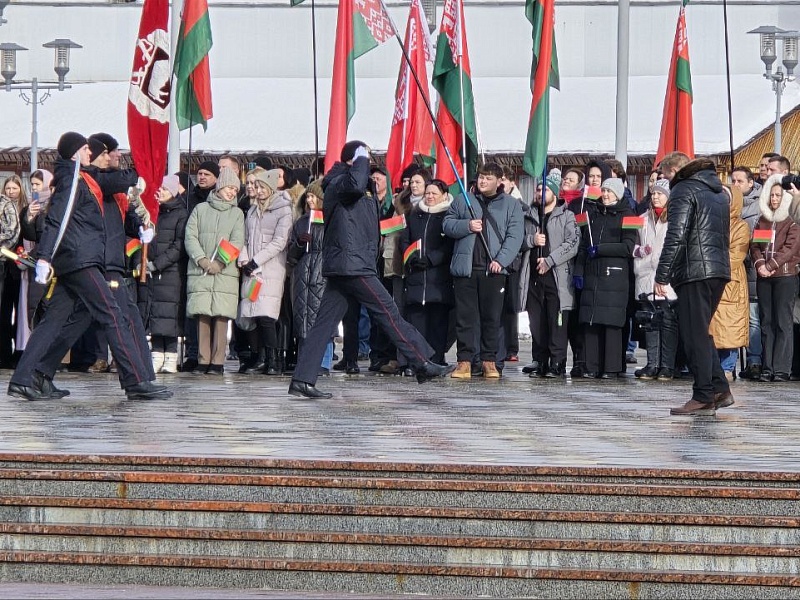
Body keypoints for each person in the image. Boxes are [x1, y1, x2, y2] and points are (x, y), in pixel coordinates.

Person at [8, 132, 170, 401]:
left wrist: (138, 226)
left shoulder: (80, 178)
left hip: (79, 259)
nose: (89, 154)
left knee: (53, 322)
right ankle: (135, 382)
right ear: (75, 153)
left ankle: (27, 377)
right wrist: (45, 257)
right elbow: (56, 220)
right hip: (81, 260)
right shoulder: (72, 180)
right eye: (85, 149)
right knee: (113, 315)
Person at [288, 141, 453, 399]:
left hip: (350, 263)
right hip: (353, 265)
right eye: (365, 158)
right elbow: (355, 183)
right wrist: (359, 156)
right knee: (388, 312)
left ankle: (302, 379)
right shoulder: (342, 182)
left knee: (323, 325)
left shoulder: (349, 185)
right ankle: (421, 362)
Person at [655, 158, 732, 416]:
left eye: (666, 175)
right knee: (700, 332)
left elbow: (676, 235)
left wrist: (662, 274)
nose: (666, 181)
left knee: (692, 335)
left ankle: (702, 395)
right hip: (718, 269)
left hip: (694, 270)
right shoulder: (719, 192)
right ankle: (720, 388)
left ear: (676, 171)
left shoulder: (684, 190)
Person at [443, 162, 524, 379]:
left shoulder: (511, 205)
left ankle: (489, 360)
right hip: (466, 269)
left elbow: (515, 236)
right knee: (465, 318)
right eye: (480, 177)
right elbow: (447, 224)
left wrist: (502, 260)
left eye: (488, 178)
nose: (482, 181)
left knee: (492, 318)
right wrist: (467, 226)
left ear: (499, 182)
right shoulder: (464, 200)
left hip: (494, 270)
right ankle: (465, 361)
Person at [184, 167, 245, 375]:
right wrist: (201, 259)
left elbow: (237, 241)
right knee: (202, 315)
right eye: (229, 188)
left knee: (221, 316)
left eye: (235, 190)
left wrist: (220, 262)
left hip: (224, 272)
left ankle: (218, 361)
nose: (231, 193)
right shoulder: (200, 209)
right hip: (200, 269)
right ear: (220, 187)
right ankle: (203, 359)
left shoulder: (237, 214)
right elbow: (190, 236)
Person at [573, 178, 636, 379]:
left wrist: (600, 249)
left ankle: (611, 367)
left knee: (611, 323)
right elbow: (584, 246)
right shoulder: (594, 214)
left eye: (610, 191)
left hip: (614, 276)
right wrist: (579, 271)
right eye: (604, 190)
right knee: (591, 321)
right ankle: (591, 365)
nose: (606, 194)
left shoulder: (628, 215)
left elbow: (628, 247)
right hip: (593, 275)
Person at [519, 173, 579, 378]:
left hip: (556, 277)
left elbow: (572, 244)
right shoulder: (529, 216)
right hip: (533, 278)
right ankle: (540, 359)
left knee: (557, 321)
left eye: (544, 189)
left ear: (554, 193)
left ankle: (557, 362)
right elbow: (518, 241)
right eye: (537, 189)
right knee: (537, 321)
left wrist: (550, 260)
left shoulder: (566, 216)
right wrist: (531, 240)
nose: (539, 193)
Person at [237, 168, 293, 375]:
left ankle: (274, 359)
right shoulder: (252, 210)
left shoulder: (283, 209)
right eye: (255, 186)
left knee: (267, 316)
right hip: (252, 269)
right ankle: (259, 356)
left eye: (261, 187)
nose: (257, 190)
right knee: (254, 315)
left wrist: (256, 260)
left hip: (270, 268)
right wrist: (244, 260)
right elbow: (244, 237)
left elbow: (280, 241)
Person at [400, 179, 455, 366]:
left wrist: (432, 259)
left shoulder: (448, 216)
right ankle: (417, 361)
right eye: (428, 193)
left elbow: (449, 245)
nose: (430, 197)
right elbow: (405, 240)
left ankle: (437, 359)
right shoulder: (414, 215)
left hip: (438, 279)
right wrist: (411, 257)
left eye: (434, 194)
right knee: (416, 323)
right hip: (416, 278)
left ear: (443, 196)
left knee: (438, 324)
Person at [750, 175, 800, 382]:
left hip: (785, 275)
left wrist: (771, 265)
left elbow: (791, 248)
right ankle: (767, 366)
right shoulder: (763, 219)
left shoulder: (792, 220)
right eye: (772, 195)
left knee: (783, 322)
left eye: (778, 195)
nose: (775, 199)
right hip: (764, 277)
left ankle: (782, 368)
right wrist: (760, 265)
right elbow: (754, 245)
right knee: (766, 322)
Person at [632, 178, 678, 380]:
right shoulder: (642, 219)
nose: (656, 196)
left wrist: (665, 277)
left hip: (666, 279)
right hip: (645, 276)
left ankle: (667, 365)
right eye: (654, 193)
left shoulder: (675, 220)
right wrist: (639, 252)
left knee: (667, 322)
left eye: (660, 193)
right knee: (649, 322)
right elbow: (631, 246)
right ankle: (652, 363)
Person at [288, 179, 333, 375]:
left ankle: (324, 361)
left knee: (322, 318)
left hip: (322, 272)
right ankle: (306, 360)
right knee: (303, 317)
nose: (309, 199)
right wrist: (299, 244)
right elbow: (291, 254)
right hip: (302, 274)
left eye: (313, 195)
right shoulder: (301, 222)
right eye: (308, 195)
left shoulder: (330, 220)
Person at [145, 175, 188, 374]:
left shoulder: (181, 214)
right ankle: (156, 353)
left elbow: (178, 245)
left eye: (163, 189)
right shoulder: (154, 213)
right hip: (153, 270)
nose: (159, 192)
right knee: (156, 312)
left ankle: (170, 355)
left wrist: (158, 264)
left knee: (170, 313)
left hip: (170, 272)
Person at [709, 184, 749, 382]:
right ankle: (714, 366)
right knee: (712, 326)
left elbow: (737, 254)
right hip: (711, 278)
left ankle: (728, 366)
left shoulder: (740, 226)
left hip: (730, 279)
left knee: (730, 327)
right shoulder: (710, 221)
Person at [731, 167, 763, 380]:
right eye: (733, 180)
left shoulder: (760, 207)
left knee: (753, 318)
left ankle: (754, 360)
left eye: (740, 180)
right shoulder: (728, 204)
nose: (736, 184)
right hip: (733, 271)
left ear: (751, 183)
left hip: (752, 267)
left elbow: (760, 239)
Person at [0, 175, 26, 367]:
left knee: (21, 311)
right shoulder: (3, 208)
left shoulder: (25, 210)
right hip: (5, 265)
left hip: (20, 265)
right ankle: (5, 354)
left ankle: (20, 352)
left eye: (14, 188)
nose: (11, 192)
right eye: (7, 188)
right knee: (4, 310)